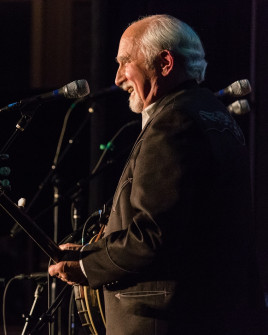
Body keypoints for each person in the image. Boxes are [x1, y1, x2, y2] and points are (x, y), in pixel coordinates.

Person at [49, 14, 266, 335]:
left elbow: (153, 236)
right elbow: (182, 229)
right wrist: (91, 252)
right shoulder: (211, 114)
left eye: (126, 62)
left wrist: (85, 267)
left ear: (164, 63)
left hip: (164, 318)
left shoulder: (173, 122)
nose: (119, 77)